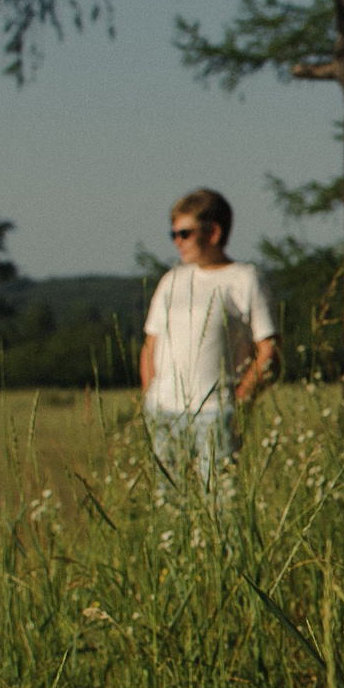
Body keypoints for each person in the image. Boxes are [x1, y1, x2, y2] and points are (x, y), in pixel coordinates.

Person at [140, 187, 276, 487]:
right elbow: (150, 346)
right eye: (173, 234)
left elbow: (268, 351)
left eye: (184, 234)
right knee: (168, 504)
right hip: (163, 413)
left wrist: (237, 405)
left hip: (215, 415)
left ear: (213, 232)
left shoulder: (244, 279)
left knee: (220, 505)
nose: (177, 242)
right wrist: (150, 397)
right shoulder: (171, 281)